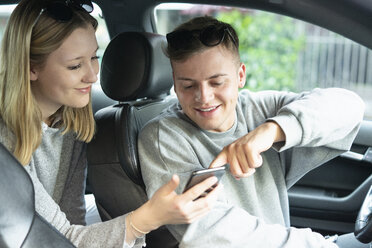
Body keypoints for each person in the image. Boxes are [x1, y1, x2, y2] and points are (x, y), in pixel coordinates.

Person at [0, 1, 222, 247]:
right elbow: (66, 239)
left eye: (94, 57)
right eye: (75, 65)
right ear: (31, 68)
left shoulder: (69, 124)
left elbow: (73, 224)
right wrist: (150, 217)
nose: (93, 75)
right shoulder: (6, 142)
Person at [138, 16, 367, 247]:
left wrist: (271, 131)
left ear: (240, 76)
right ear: (175, 84)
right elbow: (211, 233)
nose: (204, 97)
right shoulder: (163, 137)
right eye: (188, 85)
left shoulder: (258, 110)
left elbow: (350, 107)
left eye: (216, 82)